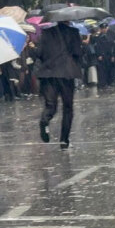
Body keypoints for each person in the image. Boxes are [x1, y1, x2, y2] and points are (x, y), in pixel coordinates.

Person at [31, 21, 83, 149]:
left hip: (49, 73)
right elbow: (78, 52)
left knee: (50, 105)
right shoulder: (73, 32)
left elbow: (39, 53)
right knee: (68, 107)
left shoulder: (46, 33)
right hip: (66, 73)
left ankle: (45, 119)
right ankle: (64, 140)